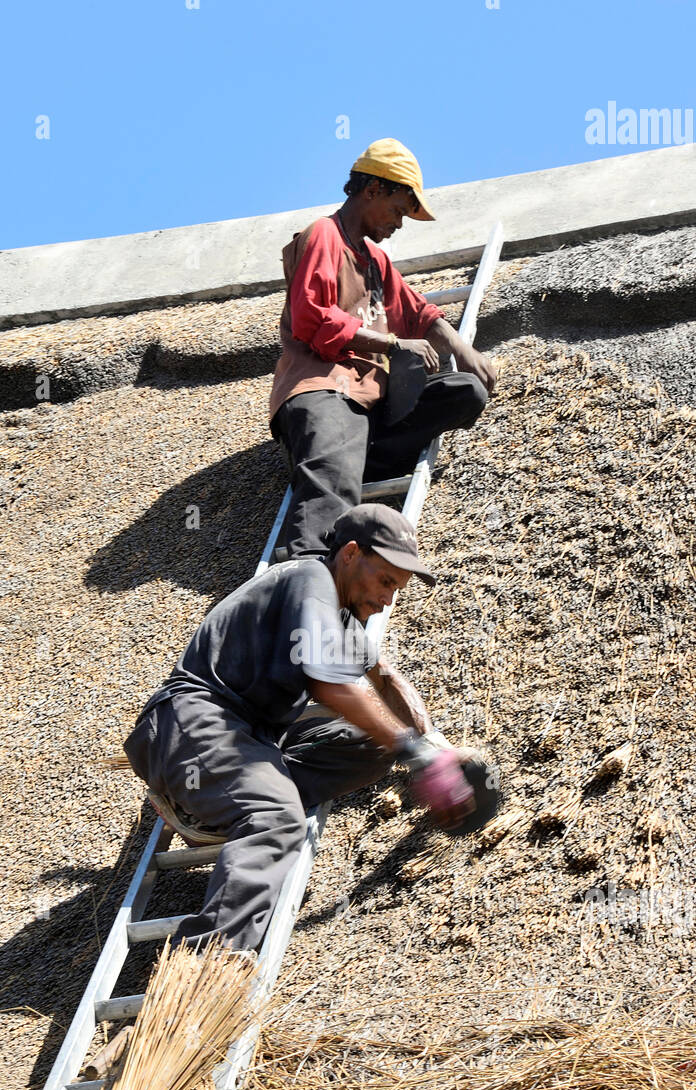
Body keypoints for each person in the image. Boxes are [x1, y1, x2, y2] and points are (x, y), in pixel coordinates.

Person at [123, 504, 476, 955]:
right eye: (386, 581)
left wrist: (436, 749)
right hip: (194, 721)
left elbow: (384, 677)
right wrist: (416, 751)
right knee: (279, 820)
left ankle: (233, 801)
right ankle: (209, 963)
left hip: (255, 737)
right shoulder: (309, 580)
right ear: (350, 554)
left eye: (397, 590)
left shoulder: (342, 617)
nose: (389, 600)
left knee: (377, 743)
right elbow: (327, 682)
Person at [269, 137, 497, 558]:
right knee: (332, 483)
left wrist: (462, 349)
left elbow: (419, 315)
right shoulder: (324, 235)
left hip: (374, 409)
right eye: (398, 210)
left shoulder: (376, 261)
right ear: (372, 190)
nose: (399, 223)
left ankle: (360, 462)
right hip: (328, 389)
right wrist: (392, 344)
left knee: (465, 391)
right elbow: (311, 316)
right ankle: (308, 574)